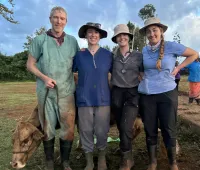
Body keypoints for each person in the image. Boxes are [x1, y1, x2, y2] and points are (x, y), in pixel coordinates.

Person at [138, 17, 198, 170]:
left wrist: (178, 69)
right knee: (150, 128)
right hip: (147, 95)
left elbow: (194, 54)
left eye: (155, 30)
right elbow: (141, 68)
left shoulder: (171, 46)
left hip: (167, 94)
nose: (152, 34)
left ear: (161, 31)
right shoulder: (144, 50)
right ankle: (152, 162)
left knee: (168, 128)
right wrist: (141, 76)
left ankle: (172, 163)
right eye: (149, 31)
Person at [26, 6, 79, 170]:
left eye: (62, 18)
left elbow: (77, 66)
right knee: (48, 129)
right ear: (50, 19)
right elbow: (30, 64)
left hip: (67, 93)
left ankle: (65, 162)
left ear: (66, 22)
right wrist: (44, 78)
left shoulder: (72, 41)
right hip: (46, 93)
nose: (58, 21)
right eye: (55, 17)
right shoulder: (40, 40)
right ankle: (49, 161)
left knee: (68, 129)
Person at [73, 22, 113, 170]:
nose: (93, 35)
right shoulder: (79, 55)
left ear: (100, 36)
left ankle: (102, 158)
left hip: (103, 99)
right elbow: (69, 70)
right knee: (85, 130)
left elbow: (117, 75)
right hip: (84, 99)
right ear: (85, 35)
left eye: (96, 32)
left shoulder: (108, 55)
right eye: (90, 32)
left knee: (102, 130)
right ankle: (89, 161)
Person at [110, 24, 143, 170]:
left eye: (124, 35)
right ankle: (125, 150)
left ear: (129, 37)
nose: (122, 37)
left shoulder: (138, 56)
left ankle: (127, 160)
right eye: (119, 35)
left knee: (126, 126)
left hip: (132, 94)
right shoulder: (112, 57)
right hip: (116, 94)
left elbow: (144, 73)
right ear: (116, 39)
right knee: (120, 126)